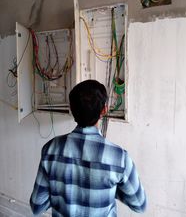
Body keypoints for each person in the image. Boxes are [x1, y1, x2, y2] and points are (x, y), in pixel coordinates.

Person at [30, 79, 147, 216]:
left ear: (72, 110)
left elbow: (37, 206)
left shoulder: (50, 149)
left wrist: (60, 191)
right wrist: (108, 190)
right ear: (104, 110)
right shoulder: (119, 158)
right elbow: (140, 205)